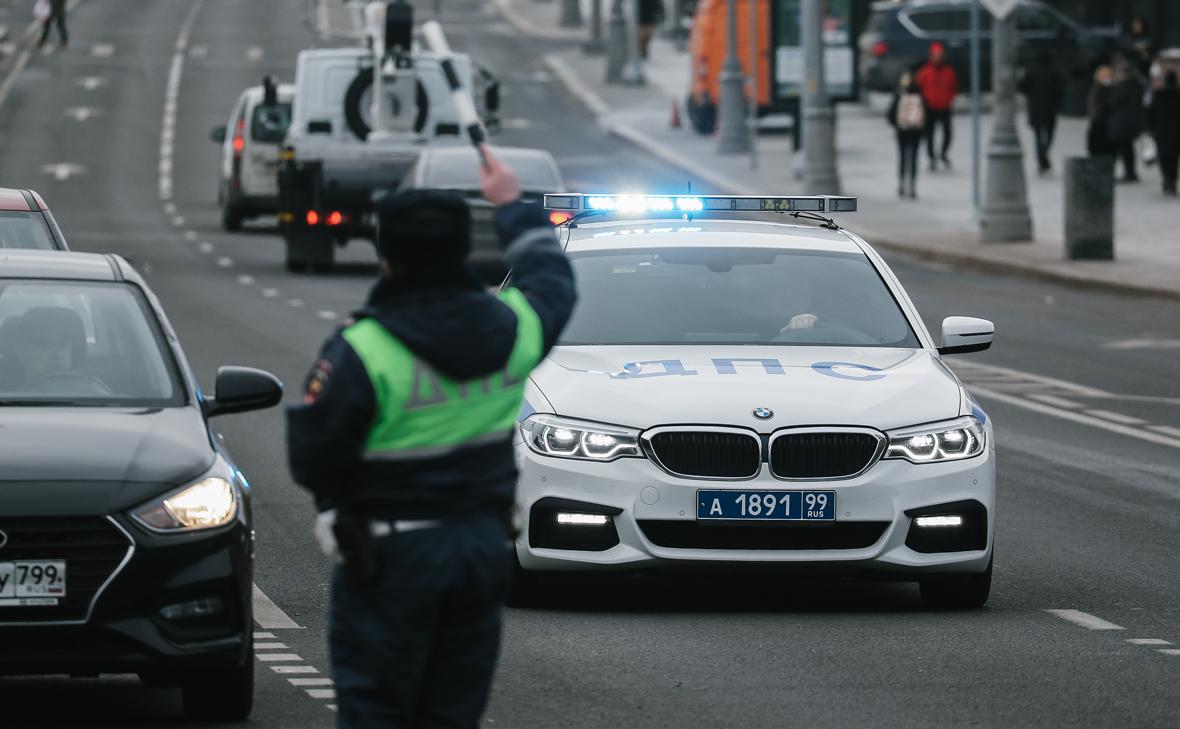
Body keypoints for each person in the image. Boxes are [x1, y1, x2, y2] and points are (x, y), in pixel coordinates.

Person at [286, 146, 576, 729]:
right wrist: (513, 206)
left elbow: (314, 459)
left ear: (386, 256)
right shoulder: (513, 328)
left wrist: (341, 505)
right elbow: (553, 279)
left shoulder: (364, 349)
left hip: (391, 558)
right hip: (479, 553)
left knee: (377, 709)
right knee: (452, 710)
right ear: (464, 251)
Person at [0, 307, 85, 390]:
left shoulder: (93, 388)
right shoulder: (5, 392)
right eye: (45, 345)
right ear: (20, 352)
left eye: (63, 344)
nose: (58, 355)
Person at [1018, 52, 1065, 175]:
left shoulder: (1031, 72)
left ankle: (1042, 160)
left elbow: (1022, 87)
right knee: (1049, 135)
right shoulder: (1055, 72)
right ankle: (1044, 156)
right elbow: (1060, 89)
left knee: (1038, 136)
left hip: (1035, 109)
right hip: (1050, 109)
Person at [914, 41, 958, 171]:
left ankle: (943, 154)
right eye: (935, 55)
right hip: (930, 107)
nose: (938, 58)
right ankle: (932, 157)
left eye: (940, 55)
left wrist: (949, 100)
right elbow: (919, 87)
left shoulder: (949, 71)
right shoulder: (925, 71)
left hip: (945, 107)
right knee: (930, 134)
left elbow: (954, 87)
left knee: (948, 133)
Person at [887, 71, 926, 199]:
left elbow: (890, 114)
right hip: (916, 131)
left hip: (902, 131)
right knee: (914, 158)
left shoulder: (899, 94)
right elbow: (927, 112)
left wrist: (897, 124)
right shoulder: (919, 94)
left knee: (903, 158)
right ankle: (913, 187)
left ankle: (902, 185)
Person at [1108, 58, 1147, 182]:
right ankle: (1130, 172)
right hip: (1132, 122)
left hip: (1121, 122)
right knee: (1127, 148)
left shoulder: (1123, 86)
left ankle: (1117, 172)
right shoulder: (1139, 86)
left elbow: (1113, 102)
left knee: (1117, 149)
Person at [1149, 70, 1180, 196]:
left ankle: (1167, 179)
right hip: (1177, 132)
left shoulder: (1158, 95)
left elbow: (1150, 113)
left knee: (1164, 157)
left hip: (1162, 132)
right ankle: (1172, 181)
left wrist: (1151, 129)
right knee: (1174, 158)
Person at [1087, 64, 1118, 159]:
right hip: (1098, 125)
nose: (1106, 78)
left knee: (1110, 152)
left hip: (1111, 127)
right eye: (1104, 76)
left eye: (1108, 75)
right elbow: (1092, 109)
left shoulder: (1116, 90)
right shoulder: (1096, 90)